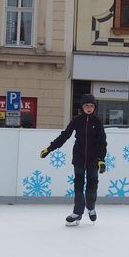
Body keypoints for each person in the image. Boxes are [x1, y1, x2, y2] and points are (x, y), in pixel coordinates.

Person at [40, 94, 107, 226]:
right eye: (86, 106)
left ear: (94, 107)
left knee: (92, 186)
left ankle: (91, 207)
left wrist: (101, 159)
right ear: (82, 107)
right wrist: (50, 148)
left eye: (91, 106)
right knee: (78, 186)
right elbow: (64, 136)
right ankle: (77, 213)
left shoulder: (97, 122)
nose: (89, 108)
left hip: (93, 160)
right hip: (79, 158)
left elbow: (102, 142)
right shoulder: (77, 120)